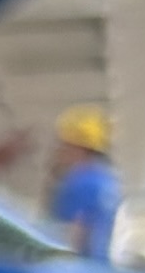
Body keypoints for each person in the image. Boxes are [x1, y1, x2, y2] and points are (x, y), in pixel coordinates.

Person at [49, 107, 122, 262]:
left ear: (79, 148)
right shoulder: (107, 179)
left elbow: (74, 232)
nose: (59, 150)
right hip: (101, 267)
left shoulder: (79, 181)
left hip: (81, 267)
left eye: (64, 145)